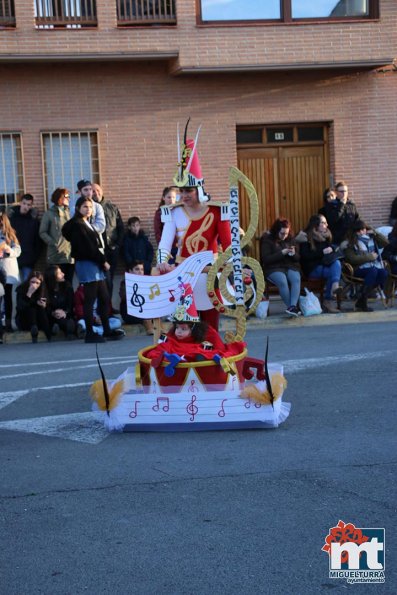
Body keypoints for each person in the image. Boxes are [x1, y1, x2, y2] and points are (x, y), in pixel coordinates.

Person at [156, 122, 231, 330]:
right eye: (181, 190)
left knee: (209, 325)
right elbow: (164, 244)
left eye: (188, 190)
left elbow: (229, 246)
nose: (184, 195)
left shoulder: (218, 211)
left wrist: (229, 266)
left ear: (199, 188)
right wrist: (162, 262)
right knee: (183, 325)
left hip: (209, 273)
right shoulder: (173, 212)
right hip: (182, 274)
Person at [62, 196, 124, 343]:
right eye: (85, 207)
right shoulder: (78, 225)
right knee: (90, 299)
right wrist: (103, 261)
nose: (88, 209)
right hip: (88, 263)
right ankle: (90, 333)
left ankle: (107, 330)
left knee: (104, 297)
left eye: (90, 207)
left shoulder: (85, 223)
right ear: (77, 208)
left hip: (93, 262)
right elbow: (88, 249)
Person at [298, 214, 343, 313]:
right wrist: (322, 252)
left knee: (337, 263)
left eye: (326, 223)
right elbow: (305, 256)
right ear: (316, 225)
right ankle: (329, 299)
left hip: (325, 265)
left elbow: (336, 248)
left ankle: (334, 287)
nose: (326, 225)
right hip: (312, 268)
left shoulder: (326, 236)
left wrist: (332, 248)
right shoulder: (305, 237)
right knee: (334, 271)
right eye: (323, 223)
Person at [260, 218, 301, 317]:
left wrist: (294, 254)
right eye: (282, 233)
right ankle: (291, 307)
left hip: (289, 266)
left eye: (286, 233)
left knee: (296, 278)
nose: (284, 236)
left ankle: (292, 306)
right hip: (273, 268)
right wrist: (281, 253)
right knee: (282, 281)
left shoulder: (290, 239)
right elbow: (266, 259)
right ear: (276, 230)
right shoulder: (267, 240)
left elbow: (298, 258)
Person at [344, 220, 389, 312]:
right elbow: (352, 259)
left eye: (363, 229)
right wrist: (369, 257)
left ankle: (361, 297)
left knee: (383, 273)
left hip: (372, 268)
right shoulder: (350, 242)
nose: (361, 232)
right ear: (354, 232)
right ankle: (363, 301)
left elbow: (386, 242)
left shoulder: (372, 238)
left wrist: (375, 232)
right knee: (373, 271)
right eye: (358, 230)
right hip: (357, 269)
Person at [92, 182, 124, 308]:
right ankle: (103, 308)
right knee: (104, 281)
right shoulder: (90, 208)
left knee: (109, 281)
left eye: (98, 190)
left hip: (112, 250)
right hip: (98, 251)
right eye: (93, 191)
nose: (96, 193)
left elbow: (121, 228)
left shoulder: (112, 207)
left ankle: (107, 308)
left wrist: (117, 246)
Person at [39, 188, 74, 284]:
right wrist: (53, 243)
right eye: (67, 197)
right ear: (60, 197)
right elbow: (42, 232)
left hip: (69, 256)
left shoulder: (70, 212)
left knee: (68, 284)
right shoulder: (49, 214)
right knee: (55, 284)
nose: (69, 199)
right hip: (55, 255)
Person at [8, 194, 41, 282]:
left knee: (27, 284)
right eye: (24, 203)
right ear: (20, 203)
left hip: (28, 259)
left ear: (31, 206)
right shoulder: (11, 219)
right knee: (10, 285)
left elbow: (38, 240)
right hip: (13, 257)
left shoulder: (34, 221)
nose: (25, 206)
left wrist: (34, 257)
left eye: (28, 205)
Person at [15, 271, 51, 343]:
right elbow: (20, 308)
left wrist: (44, 306)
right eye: (32, 282)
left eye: (37, 283)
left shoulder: (42, 290)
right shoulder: (21, 289)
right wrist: (29, 293)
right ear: (28, 281)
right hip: (24, 320)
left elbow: (49, 308)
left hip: (39, 320)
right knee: (31, 308)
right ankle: (34, 330)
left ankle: (48, 334)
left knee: (40, 309)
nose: (34, 284)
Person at [119, 260, 154, 334]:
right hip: (130, 313)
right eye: (137, 269)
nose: (140, 272)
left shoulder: (146, 282)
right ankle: (149, 328)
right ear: (130, 271)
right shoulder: (125, 283)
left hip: (144, 310)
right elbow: (125, 297)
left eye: (142, 269)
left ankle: (161, 330)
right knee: (146, 316)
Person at [0, 211, 21, 332]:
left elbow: (18, 250)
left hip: (7, 269)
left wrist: (9, 251)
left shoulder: (10, 234)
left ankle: (8, 323)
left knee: (8, 297)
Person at [44, 265, 76, 339]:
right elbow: (46, 307)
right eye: (59, 273)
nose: (63, 274)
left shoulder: (67, 287)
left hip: (65, 315)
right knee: (54, 319)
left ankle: (70, 330)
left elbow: (71, 304)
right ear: (53, 277)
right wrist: (53, 312)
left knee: (64, 320)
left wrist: (65, 312)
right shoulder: (46, 290)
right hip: (51, 316)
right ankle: (58, 329)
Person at [324, 181, 360, 245]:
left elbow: (357, 220)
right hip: (338, 239)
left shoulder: (351, 204)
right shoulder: (331, 205)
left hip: (351, 238)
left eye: (345, 191)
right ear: (336, 192)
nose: (344, 193)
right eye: (341, 191)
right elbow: (333, 219)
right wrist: (341, 204)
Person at [153, 187, 178, 263]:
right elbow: (158, 233)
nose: (171, 200)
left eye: (173, 197)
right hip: (168, 249)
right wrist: (164, 250)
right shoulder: (159, 213)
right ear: (163, 198)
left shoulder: (180, 211)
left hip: (180, 248)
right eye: (169, 197)